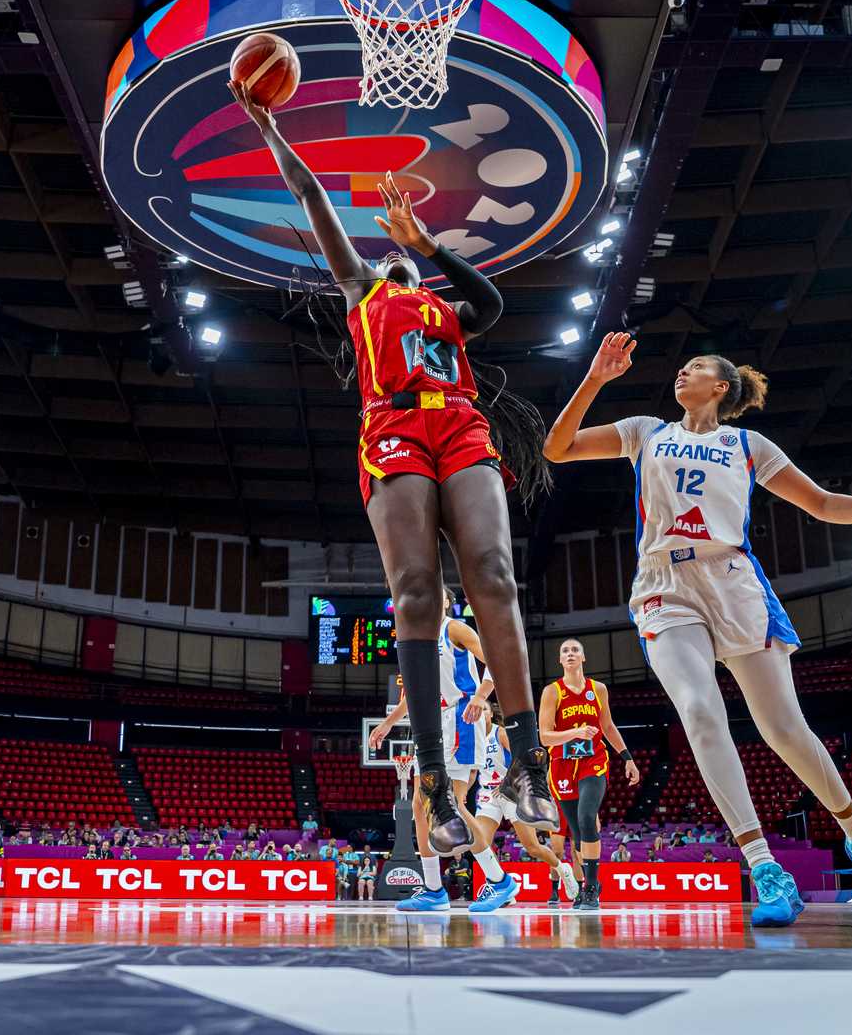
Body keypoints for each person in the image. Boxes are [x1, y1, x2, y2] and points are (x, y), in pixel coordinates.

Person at [230, 82, 559, 852]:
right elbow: (310, 194)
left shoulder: (447, 306)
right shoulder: (361, 290)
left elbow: (494, 305)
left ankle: (527, 765)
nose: (392, 260)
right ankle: (439, 786)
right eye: (391, 256)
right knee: (416, 592)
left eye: (401, 259)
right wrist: (268, 126)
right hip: (394, 427)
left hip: (460, 422)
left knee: (496, 579)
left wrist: (428, 246)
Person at [543, 334, 852, 926]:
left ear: (721, 387)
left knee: (783, 729)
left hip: (734, 580)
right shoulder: (645, 431)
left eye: (696, 367)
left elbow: (825, 505)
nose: (683, 371)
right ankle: (765, 868)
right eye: (682, 367)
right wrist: (597, 378)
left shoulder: (748, 444)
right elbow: (558, 448)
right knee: (700, 712)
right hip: (664, 586)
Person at [371, 589, 511, 911]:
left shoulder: (455, 629)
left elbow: (496, 659)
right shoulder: (416, 641)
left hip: (463, 716)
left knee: (452, 803)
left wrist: (481, 697)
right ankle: (433, 890)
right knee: (421, 807)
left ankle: (498, 879)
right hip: (432, 722)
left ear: (446, 601)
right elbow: (414, 694)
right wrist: (388, 723)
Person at [539, 638, 640, 911]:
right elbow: (545, 735)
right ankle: (586, 886)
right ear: (560, 660)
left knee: (587, 819)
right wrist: (574, 732)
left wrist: (627, 757)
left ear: (583, 658)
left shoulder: (598, 689)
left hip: (593, 762)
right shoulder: (552, 692)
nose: (570, 654)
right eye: (565, 651)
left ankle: (591, 886)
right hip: (561, 766)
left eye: (575, 650)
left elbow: (607, 725)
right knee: (576, 829)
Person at [471, 705, 579, 910]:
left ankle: (562, 868)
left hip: (512, 791)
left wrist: (505, 784)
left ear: (491, 713)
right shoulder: (473, 737)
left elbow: (521, 759)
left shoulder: (499, 732)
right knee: (480, 843)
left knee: (531, 847)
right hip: (487, 794)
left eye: (485, 709)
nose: (482, 713)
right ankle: (501, 887)